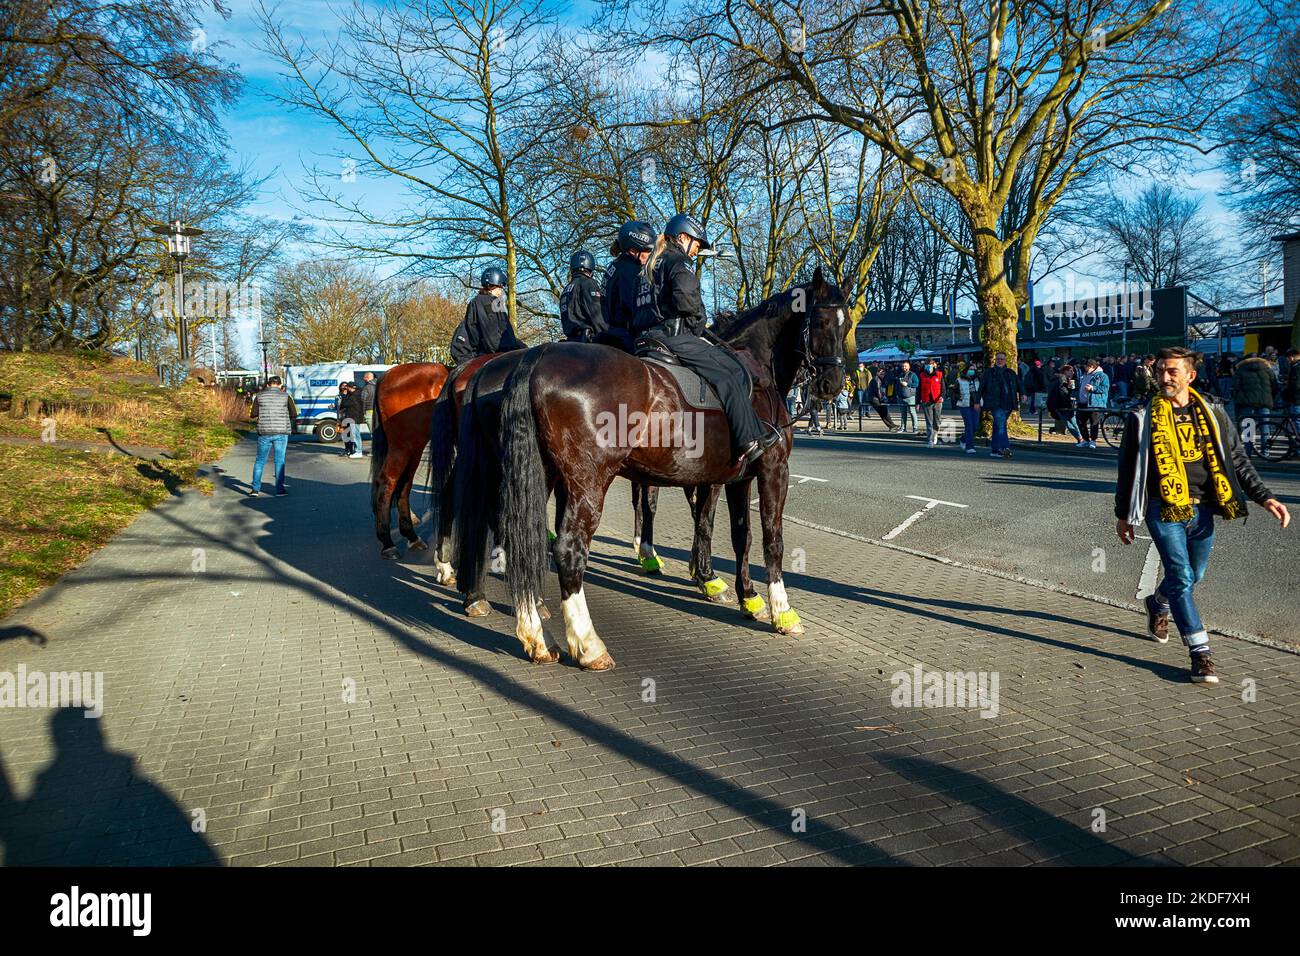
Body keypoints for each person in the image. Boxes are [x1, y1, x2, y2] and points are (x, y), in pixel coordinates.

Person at [1115, 347, 1290, 684]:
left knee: (1194, 575)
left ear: (1190, 375)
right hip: (1161, 507)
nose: (1164, 377)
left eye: (1172, 372)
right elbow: (1128, 470)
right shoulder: (1141, 415)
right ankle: (1200, 653)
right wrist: (1124, 515)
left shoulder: (1212, 410)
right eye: (1161, 370)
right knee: (1181, 575)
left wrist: (1265, 497)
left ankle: (1158, 603)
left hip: (1204, 507)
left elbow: (1236, 458)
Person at [635, 212, 780, 467]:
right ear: (682, 237)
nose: (697, 249)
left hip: (645, 336)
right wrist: (698, 321)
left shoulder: (650, 264)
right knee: (730, 372)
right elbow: (686, 299)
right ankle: (748, 439)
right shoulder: (678, 261)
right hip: (674, 336)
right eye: (697, 243)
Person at [600, 221, 657, 352]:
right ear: (632, 251)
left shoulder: (616, 265)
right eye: (648, 251)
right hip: (627, 337)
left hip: (612, 333)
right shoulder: (631, 271)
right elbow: (636, 307)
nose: (651, 255)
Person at [450, 266, 525, 364]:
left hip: (483, 352)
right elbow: (492, 338)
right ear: (497, 285)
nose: (502, 290)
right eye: (502, 286)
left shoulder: (494, 303)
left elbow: (504, 334)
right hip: (469, 356)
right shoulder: (485, 303)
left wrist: (524, 349)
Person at [249, 376, 297, 497]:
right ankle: (279, 490)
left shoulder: (259, 396)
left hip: (264, 432)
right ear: (280, 385)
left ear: (268, 385)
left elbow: (253, 414)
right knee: (279, 461)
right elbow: (294, 413)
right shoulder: (286, 396)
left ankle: (255, 490)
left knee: (260, 461)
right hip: (281, 432)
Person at [979, 351, 1021, 458]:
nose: (1000, 361)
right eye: (998, 359)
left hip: (1009, 403)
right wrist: (977, 401)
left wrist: (1024, 394)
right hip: (995, 403)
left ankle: (994, 450)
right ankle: (1004, 447)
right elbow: (981, 387)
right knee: (1001, 425)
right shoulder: (989, 372)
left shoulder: (1010, 372)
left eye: (1002, 359)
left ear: (1005, 360)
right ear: (995, 360)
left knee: (998, 426)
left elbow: (1018, 384)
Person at [559, 249, 604, 343]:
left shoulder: (566, 289)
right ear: (591, 268)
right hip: (587, 342)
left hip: (571, 341)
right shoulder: (589, 284)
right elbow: (597, 315)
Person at [1076, 356, 1110, 449]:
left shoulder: (1102, 375)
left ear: (1091, 366)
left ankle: (1093, 441)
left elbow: (1105, 388)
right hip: (1082, 403)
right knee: (1080, 421)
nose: (1084, 368)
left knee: (1094, 423)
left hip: (1095, 403)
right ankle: (1086, 440)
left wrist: (1092, 388)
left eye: (1086, 366)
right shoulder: (1085, 375)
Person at [1047, 364, 1084, 444]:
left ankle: (1080, 437)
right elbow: (1062, 392)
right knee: (1069, 422)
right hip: (1061, 404)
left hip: (1058, 403)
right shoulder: (1062, 378)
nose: (1073, 373)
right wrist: (1069, 394)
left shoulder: (1058, 378)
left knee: (1072, 421)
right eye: (1070, 371)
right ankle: (1080, 437)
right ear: (1065, 371)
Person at [918, 358, 944, 446]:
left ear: (934, 365)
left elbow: (943, 388)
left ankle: (935, 435)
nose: (929, 366)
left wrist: (942, 396)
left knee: (937, 420)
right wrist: (918, 401)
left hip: (937, 400)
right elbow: (919, 389)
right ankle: (930, 439)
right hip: (926, 400)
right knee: (929, 421)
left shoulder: (939, 375)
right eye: (927, 364)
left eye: (931, 364)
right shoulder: (921, 375)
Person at [956, 364, 980, 454]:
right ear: (966, 370)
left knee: (975, 426)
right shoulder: (959, 380)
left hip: (976, 405)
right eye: (970, 369)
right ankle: (969, 446)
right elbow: (954, 391)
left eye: (974, 369)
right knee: (969, 425)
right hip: (964, 405)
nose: (972, 371)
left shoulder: (978, 380)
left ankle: (963, 439)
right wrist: (959, 397)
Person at [339, 382, 367, 459]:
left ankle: (358, 451)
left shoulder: (354, 396)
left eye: (347, 387)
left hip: (354, 417)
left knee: (355, 435)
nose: (346, 389)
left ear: (350, 388)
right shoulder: (357, 393)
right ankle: (356, 450)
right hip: (355, 417)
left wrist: (344, 395)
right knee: (355, 434)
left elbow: (345, 404)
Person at [895, 360, 919, 433]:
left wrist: (908, 385)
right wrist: (897, 394)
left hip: (910, 397)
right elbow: (897, 385)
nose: (904, 367)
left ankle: (915, 428)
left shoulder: (913, 375)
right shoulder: (900, 374)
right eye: (903, 366)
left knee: (912, 412)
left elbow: (917, 384)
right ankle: (903, 427)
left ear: (909, 367)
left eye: (905, 366)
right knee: (903, 413)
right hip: (901, 397)